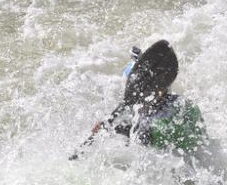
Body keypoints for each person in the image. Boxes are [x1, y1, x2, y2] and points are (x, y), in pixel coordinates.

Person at [79, 40, 207, 157]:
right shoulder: (186, 104)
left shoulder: (148, 124)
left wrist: (110, 130)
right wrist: (108, 128)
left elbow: (141, 146)